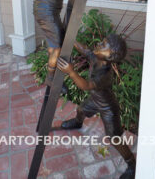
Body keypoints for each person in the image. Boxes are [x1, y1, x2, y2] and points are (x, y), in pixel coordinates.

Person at [57, 34, 136, 179]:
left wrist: (71, 72)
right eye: (102, 41)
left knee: (114, 137)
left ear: (111, 56)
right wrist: (71, 38)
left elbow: (86, 86)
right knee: (81, 109)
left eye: (104, 45)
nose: (99, 44)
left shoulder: (104, 75)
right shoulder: (96, 57)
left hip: (108, 108)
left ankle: (132, 164)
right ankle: (78, 121)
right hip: (95, 100)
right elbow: (84, 49)